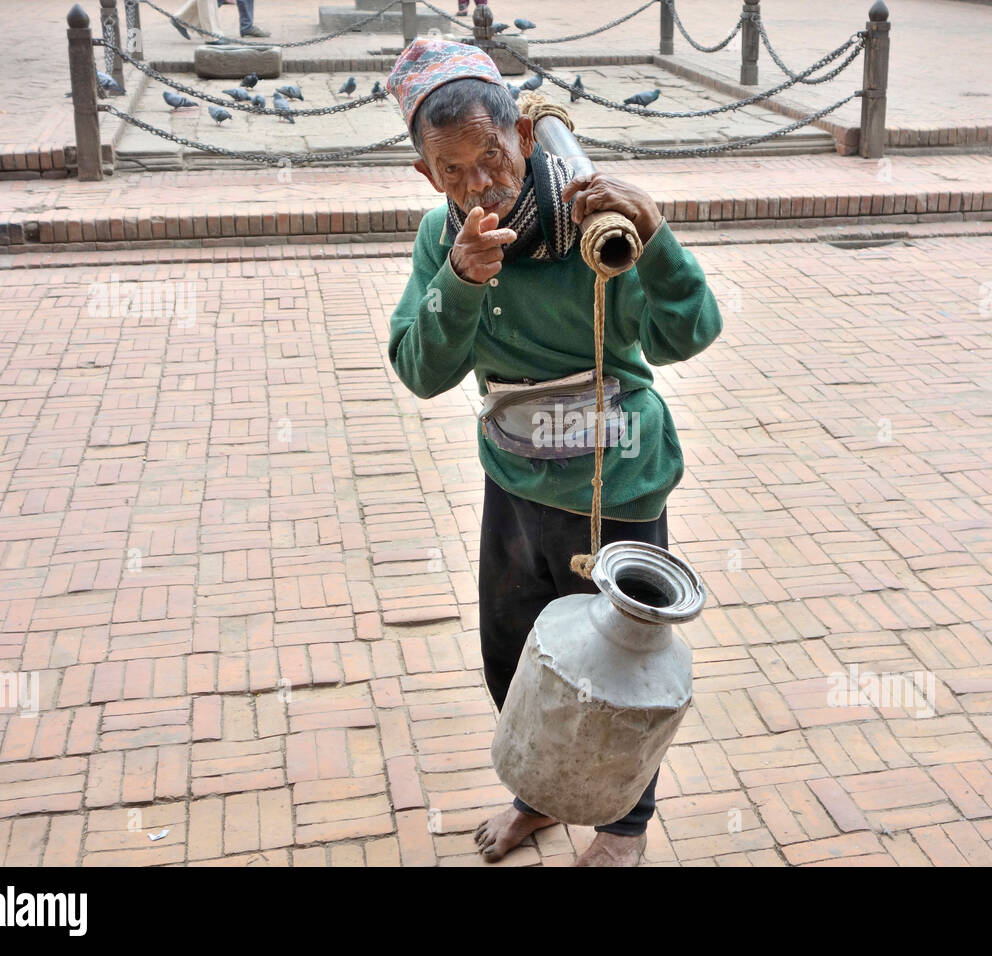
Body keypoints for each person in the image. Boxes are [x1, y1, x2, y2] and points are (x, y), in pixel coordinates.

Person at [386, 39, 722, 867]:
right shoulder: (446, 236)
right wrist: (459, 280)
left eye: (492, 157)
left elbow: (690, 332)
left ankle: (623, 824)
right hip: (518, 479)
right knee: (519, 650)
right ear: (428, 176)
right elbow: (420, 369)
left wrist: (658, 235)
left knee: (622, 665)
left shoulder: (591, 217)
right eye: (453, 170)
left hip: (620, 481)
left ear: (526, 139)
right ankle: (538, 795)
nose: (479, 185)